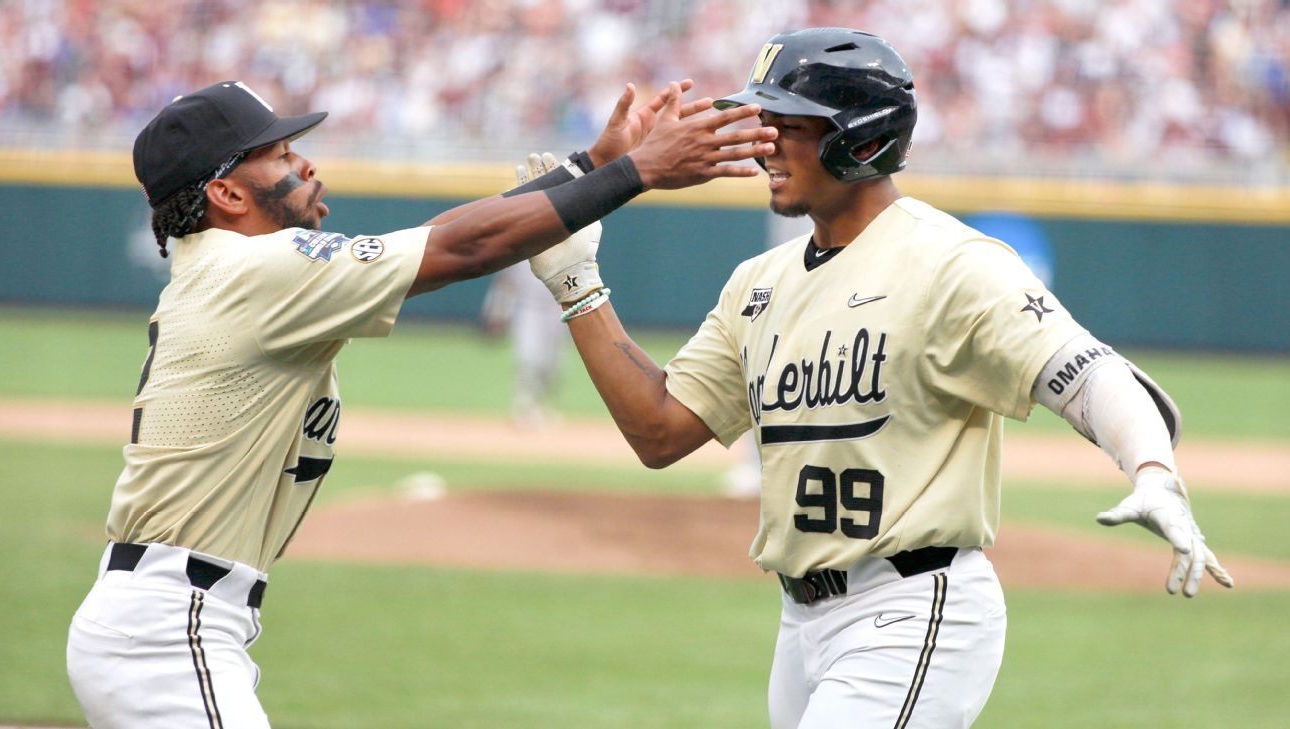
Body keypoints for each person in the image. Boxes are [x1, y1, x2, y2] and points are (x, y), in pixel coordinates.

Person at [523, 28, 1235, 728]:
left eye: (787, 125)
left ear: (860, 138)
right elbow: (659, 429)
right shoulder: (758, 284)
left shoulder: (952, 263)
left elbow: (1086, 372)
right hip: (798, 621)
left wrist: (1151, 467)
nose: (762, 140)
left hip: (913, 606)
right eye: (761, 120)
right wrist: (579, 284)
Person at [64, 78, 776, 728]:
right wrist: (636, 173)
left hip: (168, 620)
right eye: (279, 153)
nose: (304, 163)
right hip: (168, 628)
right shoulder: (254, 271)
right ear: (226, 194)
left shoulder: (236, 271)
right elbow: (463, 249)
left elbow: (435, 238)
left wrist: (591, 164)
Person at [480, 260, 568, 428]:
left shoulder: (562, 244)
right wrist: (498, 312)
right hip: (528, 309)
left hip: (556, 310)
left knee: (553, 365)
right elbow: (506, 282)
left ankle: (543, 406)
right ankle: (524, 408)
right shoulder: (522, 247)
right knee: (528, 359)